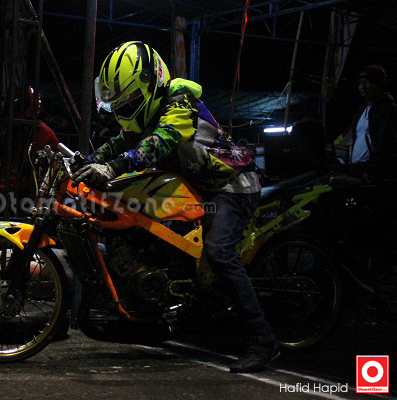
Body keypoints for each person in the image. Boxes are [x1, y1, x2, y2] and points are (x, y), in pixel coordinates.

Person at [72, 41, 278, 373]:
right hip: (196, 186)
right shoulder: (148, 113)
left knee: (219, 253)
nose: (126, 109)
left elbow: (164, 139)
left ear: (151, 83)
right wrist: (89, 161)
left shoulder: (179, 101)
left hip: (231, 185)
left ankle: (262, 341)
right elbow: (122, 140)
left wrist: (111, 168)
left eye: (130, 101)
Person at [345, 65, 397, 164]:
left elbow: (385, 142)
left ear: (379, 84)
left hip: (374, 168)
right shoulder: (362, 110)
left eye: (367, 81)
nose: (362, 86)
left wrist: (375, 163)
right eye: (360, 82)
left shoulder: (387, 108)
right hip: (357, 167)